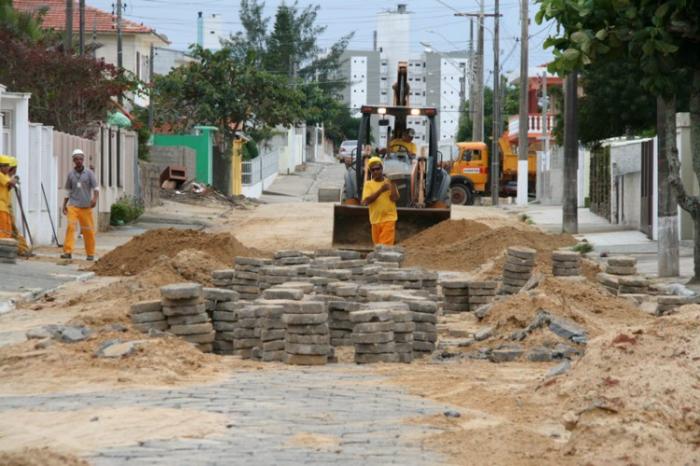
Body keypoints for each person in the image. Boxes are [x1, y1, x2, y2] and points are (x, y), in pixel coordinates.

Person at [61, 149, 99, 260]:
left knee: (88, 230)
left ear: (83, 160)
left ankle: (90, 253)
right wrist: (64, 205)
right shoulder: (70, 174)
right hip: (73, 205)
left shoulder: (89, 173)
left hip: (86, 206)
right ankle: (67, 252)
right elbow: (68, 191)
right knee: (70, 227)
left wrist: (95, 199)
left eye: (80, 159)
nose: (79, 161)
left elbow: (96, 188)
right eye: (76, 159)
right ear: (73, 160)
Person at [361, 156, 399, 246]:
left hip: (389, 218)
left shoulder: (389, 182)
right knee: (377, 246)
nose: (375, 171)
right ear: (371, 172)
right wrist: (381, 190)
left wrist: (392, 185)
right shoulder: (368, 184)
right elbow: (366, 201)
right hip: (375, 220)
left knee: (385, 246)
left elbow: (395, 198)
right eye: (373, 170)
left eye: (377, 169)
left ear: (382, 169)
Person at [6, 156, 31, 256]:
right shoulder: (6, 178)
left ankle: (22, 249)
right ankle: (22, 249)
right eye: (15, 169)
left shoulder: (7, 178)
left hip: (7, 207)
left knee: (13, 230)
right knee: (12, 230)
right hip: (5, 208)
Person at [0, 155, 18, 239]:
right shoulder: (1, 175)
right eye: (6, 165)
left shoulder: (4, 176)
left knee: (8, 231)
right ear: (1, 166)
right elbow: (11, 182)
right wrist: (14, 180)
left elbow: (9, 187)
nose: (8, 168)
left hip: (5, 207)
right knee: (4, 231)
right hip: (1, 207)